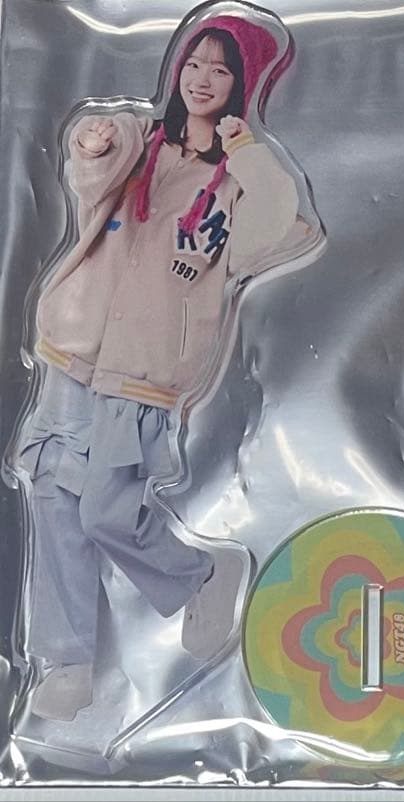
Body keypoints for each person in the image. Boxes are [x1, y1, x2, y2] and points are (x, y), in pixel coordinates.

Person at [19, 11, 318, 721]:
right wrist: (96, 141)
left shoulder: (238, 179)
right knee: (54, 494)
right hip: (75, 344)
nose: (202, 78)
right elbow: (90, 173)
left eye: (222, 69)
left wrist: (244, 149)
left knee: (104, 509)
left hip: (147, 367)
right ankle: (67, 659)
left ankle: (201, 575)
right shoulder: (143, 145)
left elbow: (273, 227)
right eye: (194, 63)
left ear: (243, 85)